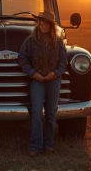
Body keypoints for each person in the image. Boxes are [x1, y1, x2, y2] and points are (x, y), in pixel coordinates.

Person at [19, 11, 67, 157]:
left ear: (52, 25)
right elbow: (22, 58)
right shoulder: (30, 41)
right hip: (37, 81)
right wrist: (34, 73)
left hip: (53, 81)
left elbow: (63, 62)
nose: (42, 24)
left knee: (51, 114)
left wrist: (55, 73)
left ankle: (49, 145)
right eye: (40, 21)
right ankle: (35, 146)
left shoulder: (58, 42)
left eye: (45, 22)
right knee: (37, 112)